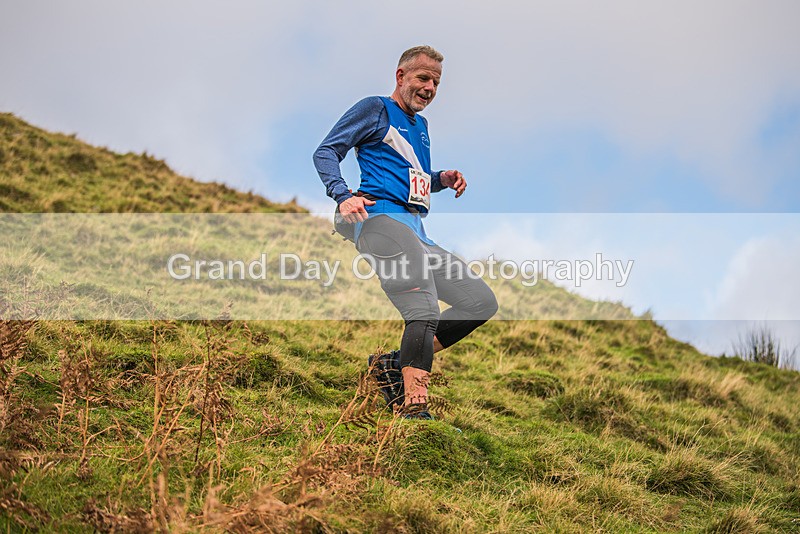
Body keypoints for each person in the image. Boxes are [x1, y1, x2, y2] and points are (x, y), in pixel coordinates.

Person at [313, 45, 497, 419]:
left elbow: (408, 178)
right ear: (401, 77)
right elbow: (326, 152)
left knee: (480, 301)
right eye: (423, 78)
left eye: (436, 82)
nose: (430, 88)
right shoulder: (375, 108)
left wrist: (440, 180)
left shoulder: (421, 127)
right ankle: (414, 408)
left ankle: (391, 366)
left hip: (417, 232)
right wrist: (343, 195)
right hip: (380, 223)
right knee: (424, 307)